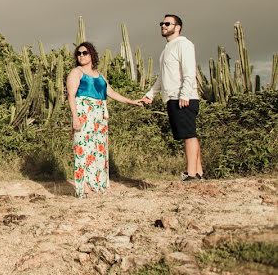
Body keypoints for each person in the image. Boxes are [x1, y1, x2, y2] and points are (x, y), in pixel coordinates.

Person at [67, 42, 141, 198]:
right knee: (82, 148)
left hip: (100, 115)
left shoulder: (100, 75)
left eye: (84, 53)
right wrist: (75, 117)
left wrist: (131, 101)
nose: (81, 55)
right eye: (78, 53)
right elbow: (71, 96)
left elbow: (111, 92)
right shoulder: (76, 72)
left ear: (92, 54)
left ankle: (98, 183)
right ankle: (84, 186)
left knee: (98, 149)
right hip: (84, 113)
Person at [139, 14, 203, 181]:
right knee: (188, 134)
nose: (163, 26)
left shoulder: (184, 44)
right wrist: (150, 95)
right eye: (162, 23)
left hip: (184, 97)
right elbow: (163, 77)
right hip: (172, 98)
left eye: (167, 23)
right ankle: (198, 173)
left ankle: (191, 175)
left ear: (178, 27)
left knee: (189, 135)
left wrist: (184, 94)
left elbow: (189, 71)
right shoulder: (166, 49)